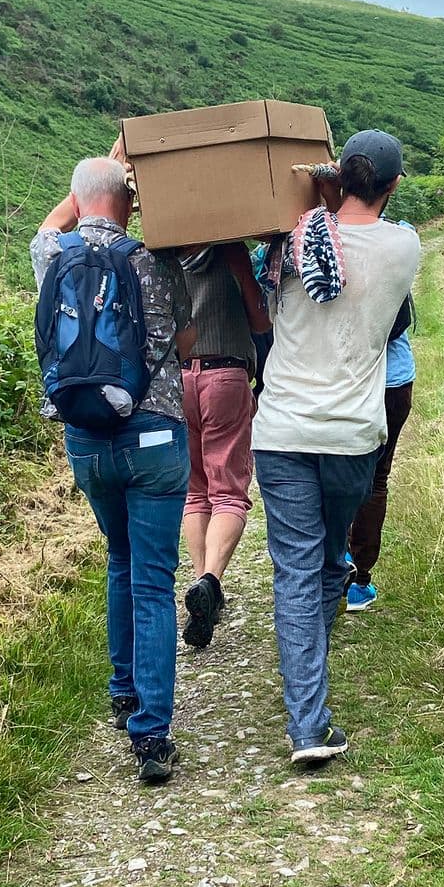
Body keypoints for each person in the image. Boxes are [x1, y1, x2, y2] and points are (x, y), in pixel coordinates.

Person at [252, 131, 421, 765]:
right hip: (352, 437)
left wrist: (317, 199)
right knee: (327, 562)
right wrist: (334, 195)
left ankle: (307, 716)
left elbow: (308, 241)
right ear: (393, 186)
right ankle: (307, 708)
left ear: (336, 179)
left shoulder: (284, 247)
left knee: (298, 569)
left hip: (282, 433)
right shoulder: (404, 248)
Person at [31, 157, 196, 783]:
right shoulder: (154, 260)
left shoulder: (55, 256)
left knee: (119, 559)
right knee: (153, 580)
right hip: (153, 435)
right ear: (130, 203)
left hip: (86, 439)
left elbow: (52, 224)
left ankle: (123, 687)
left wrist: (97, 180)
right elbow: (183, 338)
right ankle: (151, 735)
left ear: (78, 200)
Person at [178, 242, 270, 648]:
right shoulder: (230, 248)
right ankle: (210, 579)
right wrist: (244, 273)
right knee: (229, 493)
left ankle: (202, 587)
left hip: (179, 379)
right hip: (226, 375)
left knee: (195, 492)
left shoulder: (163, 249)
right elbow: (261, 322)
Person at [345, 285, 416, 611]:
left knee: (338, 470)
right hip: (394, 380)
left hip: (348, 379)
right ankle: (360, 580)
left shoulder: (324, 242)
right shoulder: (397, 239)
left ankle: (336, 558)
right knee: (376, 478)